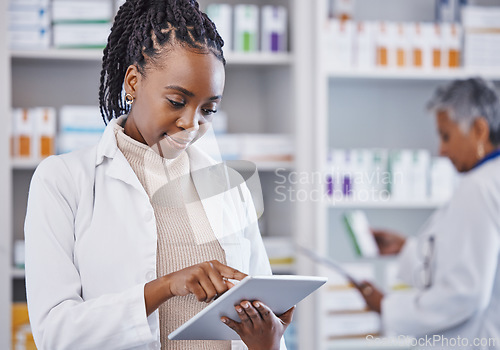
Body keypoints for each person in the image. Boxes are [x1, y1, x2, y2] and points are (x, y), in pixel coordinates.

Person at [23, 0, 294, 349]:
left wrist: (268, 340)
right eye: (177, 101)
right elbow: (55, 333)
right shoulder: (63, 181)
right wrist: (166, 286)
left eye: (208, 109)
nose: (191, 124)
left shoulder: (228, 186)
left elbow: (260, 318)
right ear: (133, 82)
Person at [355, 78, 500, 349]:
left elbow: (466, 292)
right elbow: (469, 264)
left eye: (446, 135)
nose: (441, 150)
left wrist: (387, 306)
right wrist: (407, 248)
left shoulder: (478, 187)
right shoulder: (490, 181)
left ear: (479, 129)